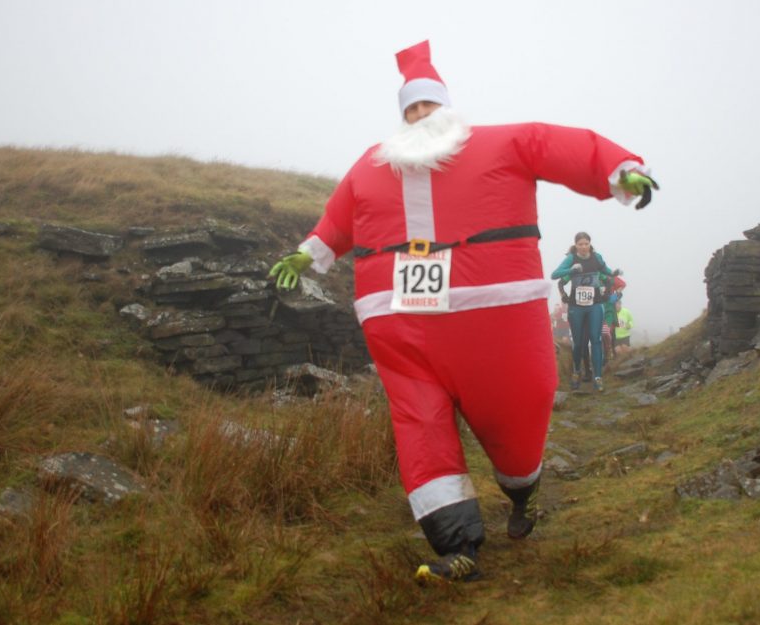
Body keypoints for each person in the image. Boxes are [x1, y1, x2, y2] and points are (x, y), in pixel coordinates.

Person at [268, 40, 658, 583]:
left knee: (518, 422)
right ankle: (459, 547)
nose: (420, 116)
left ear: (446, 107)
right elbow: (340, 216)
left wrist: (621, 171)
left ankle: (522, 495)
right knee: (419, 426)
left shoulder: (504, 143)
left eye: (428, 106)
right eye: (411, 109)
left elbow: (564, 147)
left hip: (495, 318)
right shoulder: (374, 164)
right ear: (403, 116)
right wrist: (308, 252)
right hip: (401, 324)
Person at [550, 232, 617, 393]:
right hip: (576, 306)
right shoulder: (571, 258)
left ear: (589, 244)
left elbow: (607, 272)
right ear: (576, 245)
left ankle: (598, 377)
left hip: (594, 305)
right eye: (580, 244)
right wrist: (571, 270)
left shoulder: (596, 257)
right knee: (579, 342)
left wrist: (613, 274)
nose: (583, 246)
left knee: (595, 339)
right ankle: (576, 372)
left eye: (586, 243)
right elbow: (555, 275)